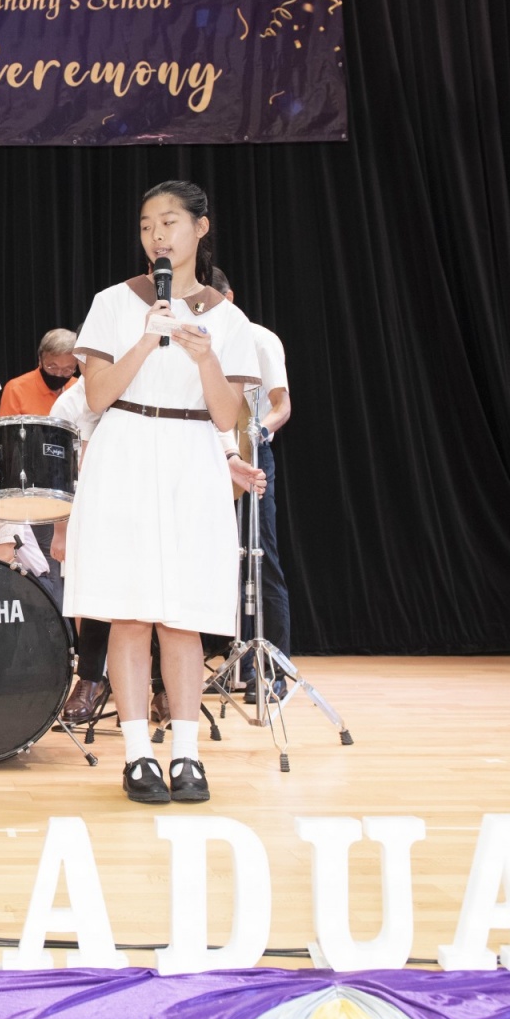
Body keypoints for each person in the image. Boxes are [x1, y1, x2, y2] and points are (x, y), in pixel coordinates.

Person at [63, 181, 259, 805]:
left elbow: (227, 415)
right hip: (124, 447)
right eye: (147, 225)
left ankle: (186, 754)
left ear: (201, 228)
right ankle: (137, 754)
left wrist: (205, 358)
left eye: (169, 222)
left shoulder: (229, 319)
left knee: (184, 615)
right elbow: (96, 396)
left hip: (191, 456)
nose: (157, 236)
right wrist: (148, 337)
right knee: (129, 610)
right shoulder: (113, 302)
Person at [209, 269, 292, 703]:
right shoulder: (204, 342)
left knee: (261, 558)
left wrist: (256, 431)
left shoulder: (260, 339)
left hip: (252, 452)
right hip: (210, 453)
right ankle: (233, 663)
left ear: (229, 298)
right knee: (220, 560)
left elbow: (282, 405)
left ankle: (271, 669)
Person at [0, 329, 79, 417]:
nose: (58, 374)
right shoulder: (16, 389)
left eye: (67, 370)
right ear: (40, 360)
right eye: (53, 367)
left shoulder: (79, 387)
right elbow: (8, 426)